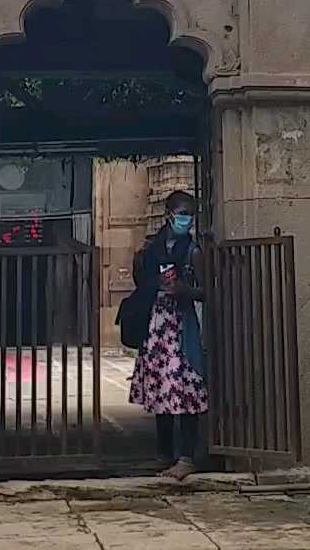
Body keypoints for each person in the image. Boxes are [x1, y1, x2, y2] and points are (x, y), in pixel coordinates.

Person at [122, 190, 208, 480]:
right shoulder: (151, 249)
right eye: (182, 213)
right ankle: (163, 453)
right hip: (156, 325)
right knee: (160, 389)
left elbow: (207, 290)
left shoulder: (193, 251)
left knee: (186, 389)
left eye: (190, 214)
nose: (186, 219)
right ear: (169, 214)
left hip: (181, 327)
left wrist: (184, 290)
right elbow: (141, 281)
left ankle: (186, 456)